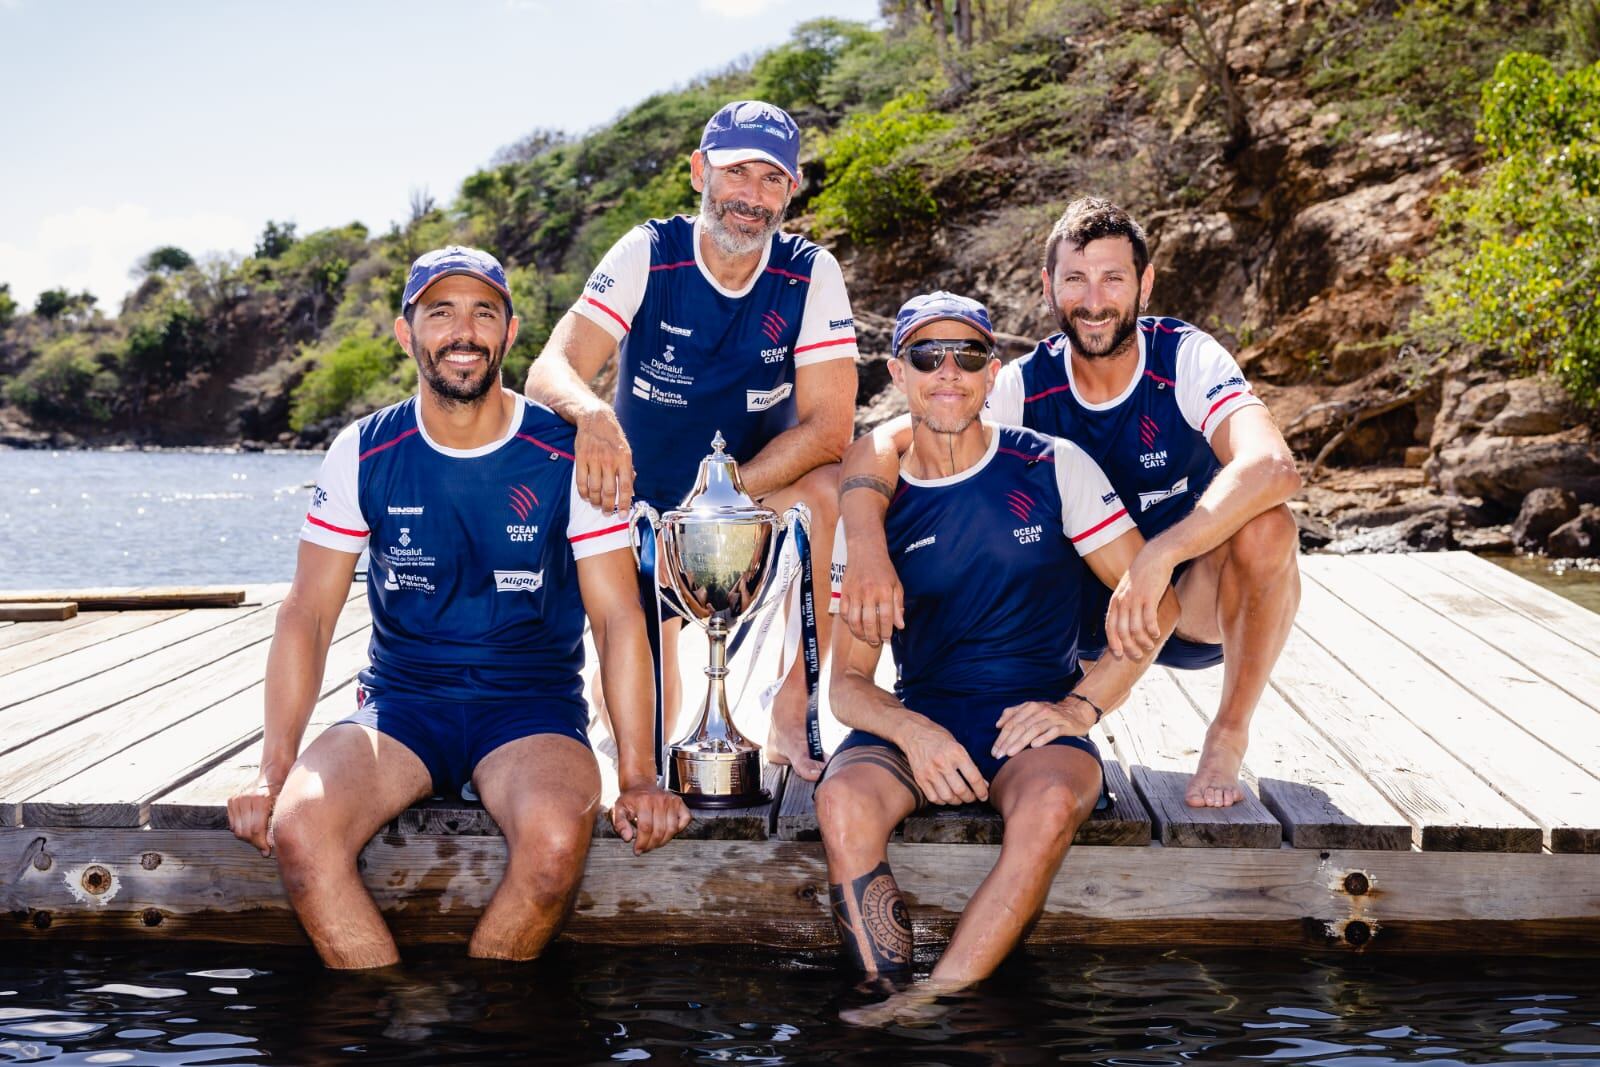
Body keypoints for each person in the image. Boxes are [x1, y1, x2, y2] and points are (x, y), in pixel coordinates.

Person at [228, 246, 689, 969]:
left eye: (483, 312)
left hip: (529, 709)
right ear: (405, 333)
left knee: (554, 843)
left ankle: (483, 1020)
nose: (462, 330)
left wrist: (637, 776)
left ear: (509, 333)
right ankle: (392, 1015)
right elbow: (307, 614)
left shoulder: (567, 453)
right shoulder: (364, 450)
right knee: (300, 829)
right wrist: (272, 767)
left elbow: (618, 618)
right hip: (402, 706)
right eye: (439, 312)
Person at [836, 198, 1301, 808]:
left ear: (1145, 283)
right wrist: (868, 547)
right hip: (1077, 621)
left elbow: (1272, 465)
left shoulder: (1184, 357)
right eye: (1075, 278)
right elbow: (880, 444)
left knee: (1268, 526)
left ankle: (1227, 735)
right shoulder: (1023, 382)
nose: (1094, 298)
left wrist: (1159, 557)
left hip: (1185, 602)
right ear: (1049, 286)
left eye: (1114, 277)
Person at [819, 292, 1176, 1021]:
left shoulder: (1052, 465)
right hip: (926, 713)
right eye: (926, 355)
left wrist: (1079, 704)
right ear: (897, 371)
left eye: (969, 355)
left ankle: (933, 997)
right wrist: (913, 731)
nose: (947, 371)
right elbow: (848, 685)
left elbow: (1157, 602)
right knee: (841, 798)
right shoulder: (873, 514)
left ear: (993, 372)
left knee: (1047, 805)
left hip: (1035, 723)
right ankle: (882, 988)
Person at [524, 100, 858, 781]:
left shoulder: (810, 271)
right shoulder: (650, 251)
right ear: (699, 171)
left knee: (836, 488)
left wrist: (718, 498)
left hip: (743, 511)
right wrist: (591, 415)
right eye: (737, 173)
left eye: (772, 179)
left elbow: (829, 428)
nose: (752, 197)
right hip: (641, 515)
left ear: (792, 191)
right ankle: (621, 664)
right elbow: (547, 369)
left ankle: (793, 709)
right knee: (650, 731)